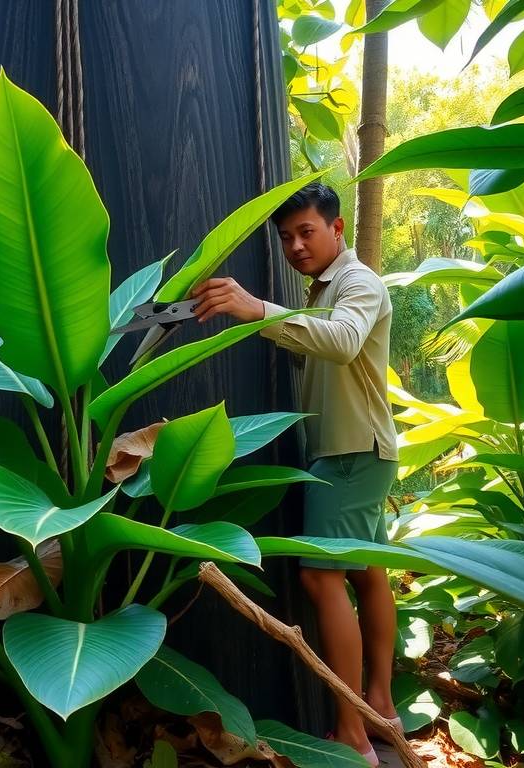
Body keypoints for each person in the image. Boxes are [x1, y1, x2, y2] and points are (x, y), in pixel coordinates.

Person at [190, 182, 400, 766]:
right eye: (286, 237)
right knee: (366, 572)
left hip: (350, 451)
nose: (296, 246)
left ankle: (353, 733)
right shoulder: (326, 286)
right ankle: (380, 703)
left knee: (321, 579)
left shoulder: (358, 282)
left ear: (337, 230)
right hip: (357, 448)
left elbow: (341, 340)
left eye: (307, 232)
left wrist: (256, 309)